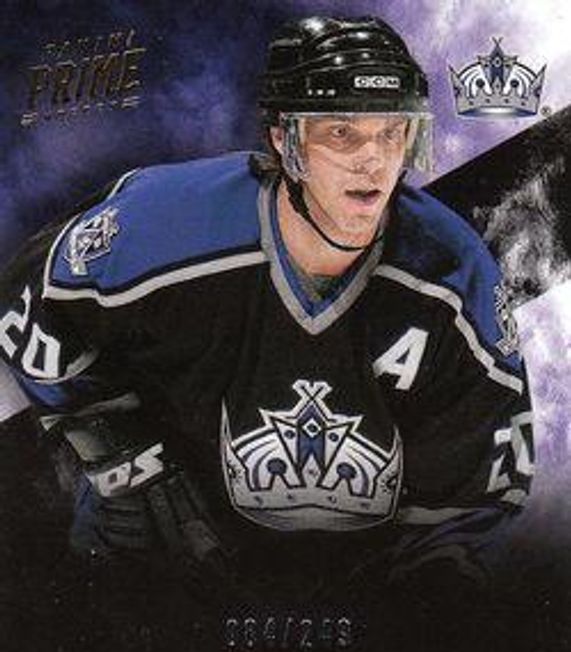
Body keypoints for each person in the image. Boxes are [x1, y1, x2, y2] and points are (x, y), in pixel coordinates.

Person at [0, 16, 533, 613]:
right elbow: (26, 298)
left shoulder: (454, 273)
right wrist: (118, 450)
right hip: (160, 582)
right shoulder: (164, 225)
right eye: (342, 132)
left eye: (392, 132)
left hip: (353, 592)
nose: (374, 160)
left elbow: (479, 479)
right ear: (283, 138)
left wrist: (419, 601)